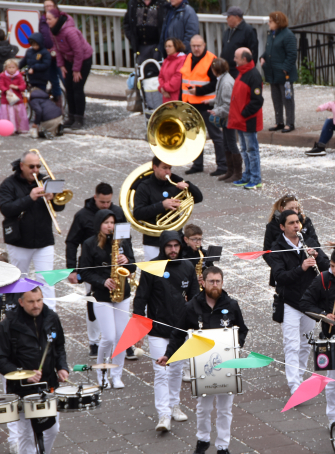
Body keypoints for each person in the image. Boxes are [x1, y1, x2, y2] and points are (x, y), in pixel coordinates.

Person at [157, 266, 248, 454]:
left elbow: (242, 329)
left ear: (222, 282)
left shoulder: (231, 305)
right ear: (203, 282)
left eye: (218, 281)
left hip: (226, 365)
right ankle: (203, 440)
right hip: (202, 366)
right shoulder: (191, 307)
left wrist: (235, 344)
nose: (215, 285)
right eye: (211, 281)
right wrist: (168, 354)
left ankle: (223, 445)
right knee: (203, 407)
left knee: (225, 409)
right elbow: (178, 333)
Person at [133, 230, 199, 431]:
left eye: (176, 246)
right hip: (156, 329)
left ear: (180, 246)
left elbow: (195, 298)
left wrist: (197, 325)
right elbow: (140, 299)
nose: (173, 250)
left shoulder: (188, 266)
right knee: (161, 372)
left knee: (176, 370)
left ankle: (174, 405)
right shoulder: (151, 268)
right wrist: (138, 331)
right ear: (163, 247)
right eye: (169, 246)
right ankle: (163, 415)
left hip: (180, 330)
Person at [0, 287, 68, 454]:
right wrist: (23, 374)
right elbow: (1, 359)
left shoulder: (52, 317)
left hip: (48, 385)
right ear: (21, 302)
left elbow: (59, 347)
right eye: (31, 301)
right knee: (27, 434)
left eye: (39, 300)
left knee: (52, 429)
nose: (36, 305)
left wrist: (62, 367)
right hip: (21, 388)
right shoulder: (8, 325)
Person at [269, 210, 329, 395]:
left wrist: (317, 256)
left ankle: (299, 377)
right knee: (291, 344)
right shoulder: (277, 247)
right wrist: (301, 267)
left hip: (309, 302)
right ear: (282, 227)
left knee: (305, 344)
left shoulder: (308, 241)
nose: (296, 226)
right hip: (290, 303)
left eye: (298, 222)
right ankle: (294, 385)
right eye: (292, 223)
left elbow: (327, 266)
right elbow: (280, 277)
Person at [66, 182, 126, 358]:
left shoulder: (118, 213)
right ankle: (94, 341)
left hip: (114, 266)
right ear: (95, 198)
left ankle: (119, 341)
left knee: (119, 305)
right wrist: (72, 269)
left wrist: (126, 259)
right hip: (91, 267)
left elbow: (125, 238)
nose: (106, 205)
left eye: (109, 202)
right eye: (102, 202)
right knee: (93, 305)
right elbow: (71, 242)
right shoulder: (82, 215)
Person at [0, 150, 65, 312]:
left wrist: (53, 198)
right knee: (18, 280)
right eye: (31, 166)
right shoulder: (8, 184)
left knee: (47, 280)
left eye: (38, 166)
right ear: (22, 166)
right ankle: (16, 314)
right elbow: (7, 209)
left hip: (44, 241)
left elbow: (60, 205)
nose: (35, 170)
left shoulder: (45, 180)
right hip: (19, 242)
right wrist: (30, 197)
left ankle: (51, 315)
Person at [80, 209, 136, 389]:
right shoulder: (89, 244)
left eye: (112, 223)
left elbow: (133, 266)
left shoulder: (122, 241)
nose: (110, 226)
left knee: (121, 338)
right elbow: (84, 272)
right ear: (99, 224)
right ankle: (102, 373)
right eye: (106, 223)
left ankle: (117, 375)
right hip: (102, 295)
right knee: (109, 337)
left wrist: (126, 260)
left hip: (122, 295)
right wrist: (103, 281)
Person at [133, 156, 203, 261]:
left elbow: (198, 198)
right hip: (153, 240)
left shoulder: (174, 183)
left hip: (174, 239)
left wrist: (188, 186)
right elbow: (138, 213)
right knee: (154, 274)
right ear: (154, 167)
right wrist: (162, 205)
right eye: (164, 168)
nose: (168, 172)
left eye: (170, 168)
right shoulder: (144, 186)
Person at [181, 35, 227, 176]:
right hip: (189, 103)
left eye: (199, 46)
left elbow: (216, 83)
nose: (196, 48)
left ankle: (222, 165)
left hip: (206, 104)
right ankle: (197, 164)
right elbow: (183, 80)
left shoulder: (212, 60)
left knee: (215, 135)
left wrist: (199, 91)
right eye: (193, 46)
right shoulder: (188, 58)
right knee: (194, 135)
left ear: (204, 45)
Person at [300, 250, 335, 429]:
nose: (334, 270)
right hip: (331, 337)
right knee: (332, 382)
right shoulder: (323, 279)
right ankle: (333, 420)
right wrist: (324, 314)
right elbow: (305, 303)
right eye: (333, 266)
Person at [46, 8, 93, 130]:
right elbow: (57, 48)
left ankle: (79, 118)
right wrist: (61, 65)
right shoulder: (53, 31)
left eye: (49, 19)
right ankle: (71, 116)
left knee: (77, 87)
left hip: (83, 60)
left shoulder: (69, 31)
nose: (47, 21)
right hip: (68, 59)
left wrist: (76, 70)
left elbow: (79, 52)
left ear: (57, 19)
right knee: (69, 87)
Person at [228, 48, 264, 190]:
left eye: (236, 57)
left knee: (251, 150)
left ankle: (255, 178)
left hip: (248, 120)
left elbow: (257, 100)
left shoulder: (253, 75)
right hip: (240, 120)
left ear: (244, 59)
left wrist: (243, 113)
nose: (234, 59)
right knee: (244, 149)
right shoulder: (242, 72)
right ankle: (247, 176)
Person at [260, 11, 298, 133]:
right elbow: (269, 51)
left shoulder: (288, 35)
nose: (268, 24)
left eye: (270, 21)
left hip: (284, 75)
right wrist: (263, 57)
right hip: (272, 73)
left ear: (278, 22)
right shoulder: (271, 34)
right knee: (276, 98)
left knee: (287, 98)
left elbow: (292, 54)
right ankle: (279, 122)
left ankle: (290, 123)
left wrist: (284, 69)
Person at [206, 58, 242, 182]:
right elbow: (221, 98)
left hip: (230, 119)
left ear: (215, 70)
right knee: (227, 143)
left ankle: (237, 173)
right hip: (227, 119)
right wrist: (211, 102)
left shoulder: (226, 82)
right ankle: (230, 171)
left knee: (231, 144)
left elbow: (228, 105)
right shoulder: (223, 79)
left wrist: (216, 111)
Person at [39, 0, 67, 108]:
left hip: (60, 54)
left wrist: (55, 50)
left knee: (65, 79)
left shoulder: (60, 20)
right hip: (47, 55)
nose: (48, 8)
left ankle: (73, 107)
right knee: (53, 80)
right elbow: (41, 36)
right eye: (46, 6)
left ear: (55, 6)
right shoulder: (42, 20)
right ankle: (58, 106)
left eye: (50, 5)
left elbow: (62, 38)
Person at [220, 6, 258, 79]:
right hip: (226, 69)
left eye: (229, 16)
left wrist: (249, 70)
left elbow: (253, 52)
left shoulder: (248, 30)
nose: (226, 19)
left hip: (240, 70)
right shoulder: (228, 31)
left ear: (236, 17)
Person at [124, 0, 166, 64]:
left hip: (157, 45)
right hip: (141, 46)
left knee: (157, 70)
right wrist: (132, 38)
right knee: (142, 70)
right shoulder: (133, 3)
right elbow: (127, 23)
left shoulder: (162, 3)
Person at [0, 59, 29, 134]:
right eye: (9, 67)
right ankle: (9, 129)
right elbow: (1, 85)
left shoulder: (19, 76)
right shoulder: (2, 76)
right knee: (9, 114)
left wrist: (16, 87)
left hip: (17, 100)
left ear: (16, 68)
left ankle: (19, 128)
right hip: (6, 100)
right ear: (6, 68)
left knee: (18, 114)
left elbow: (23, 86)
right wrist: (6, 90)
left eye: (13, 67)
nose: (11, 69)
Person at [158, 38, 186, 103]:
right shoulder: (166, 60)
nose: (167, 48)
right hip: (166, 96)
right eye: (166, 46)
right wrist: (163, 89)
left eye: (170, 46)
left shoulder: (182, 59)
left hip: (177, 96)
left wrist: (163, 88)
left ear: (176, 47)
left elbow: (177, 78)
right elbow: (160, 77)